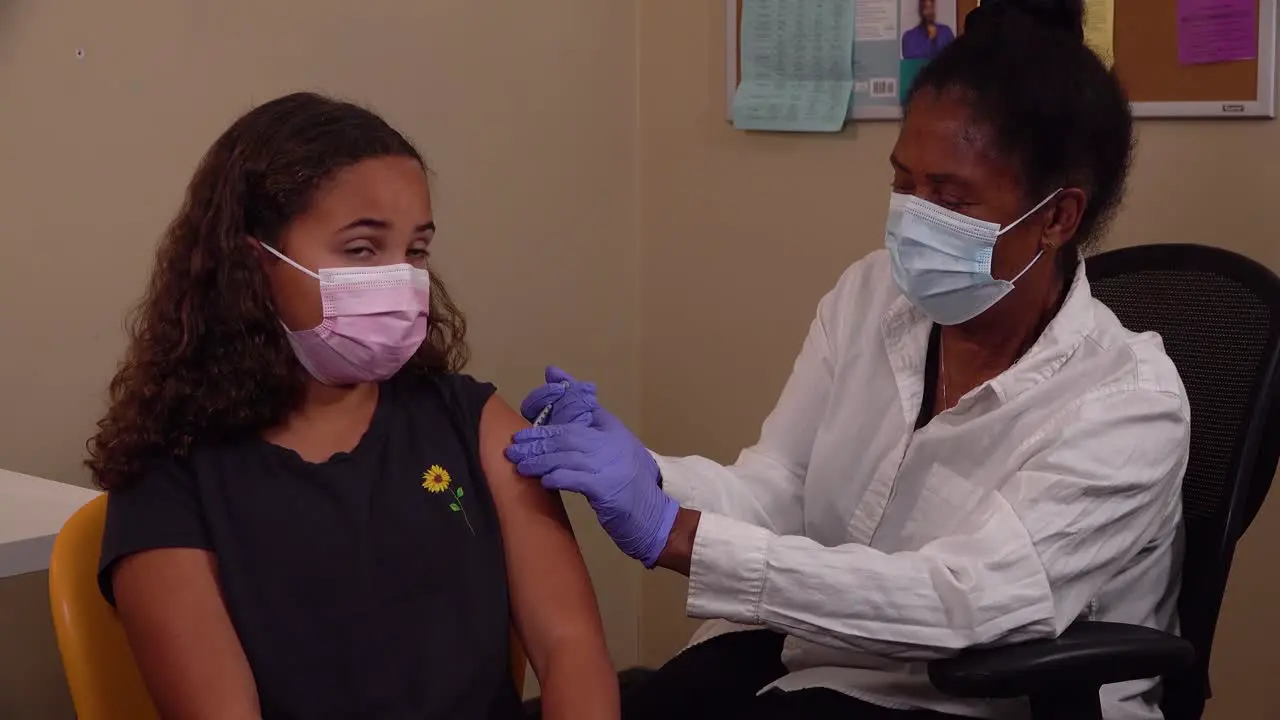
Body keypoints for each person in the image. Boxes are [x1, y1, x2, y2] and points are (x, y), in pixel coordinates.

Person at [508, 2, 1186, 719]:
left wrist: (677, 534)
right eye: (903, 183)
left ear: (1057, 217)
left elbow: (963, 603)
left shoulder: (1129, 403)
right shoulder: (872, 298)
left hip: (993, 698)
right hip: (833, 659)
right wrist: (643, 475)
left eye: (949, 197)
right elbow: (780, 490)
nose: (913, 215)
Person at [87, 92, 618, 720]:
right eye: (362, 250)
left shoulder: (469, 421)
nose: (400, 280)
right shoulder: (171, 477)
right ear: (251, 264)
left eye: (415, 250)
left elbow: (571, 652)